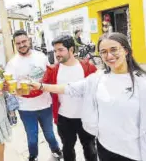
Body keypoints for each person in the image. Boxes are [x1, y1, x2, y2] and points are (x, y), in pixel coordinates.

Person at [30, 32, 146, 161]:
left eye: (114, 49)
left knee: (89, 149)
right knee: (68, 147)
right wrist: (36, 87)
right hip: (104, 147)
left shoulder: (141, 83)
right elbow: (69, 88)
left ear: (126, 50)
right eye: (103, 52)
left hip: (132, 152)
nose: (109, 56)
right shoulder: (98, 78)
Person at [5, 30, 62, 161]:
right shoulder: (12, 63)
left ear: (29, 40)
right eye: (18, 43)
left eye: (24, 41)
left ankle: (56, 151)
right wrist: (19, 88)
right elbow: (10, 87)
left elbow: (49, 74)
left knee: (50, 134)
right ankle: (33, 157)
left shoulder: (41, 56)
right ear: (15, 44)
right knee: (32, 137)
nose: (22, 45)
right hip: (26, 108)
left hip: (45, 103)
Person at [43, 35, 98, 161]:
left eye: (60, 50)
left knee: (90, 149)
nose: (57, 54)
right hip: (64, 118)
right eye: (55, 50)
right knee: (67, 149)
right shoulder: (53, 70)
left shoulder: (88, 68)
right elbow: (41, 87)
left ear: (71, 49)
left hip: (86, 117)